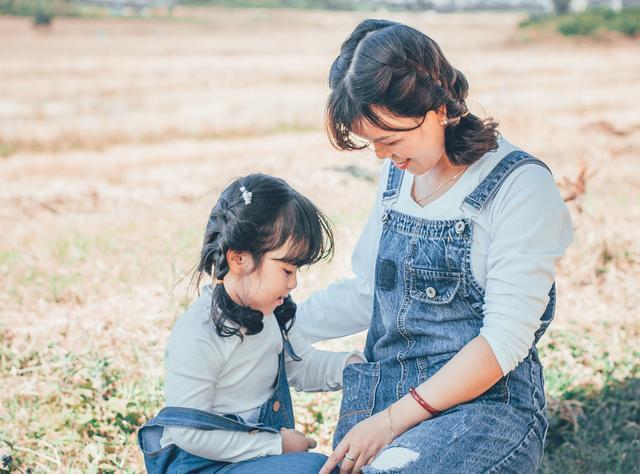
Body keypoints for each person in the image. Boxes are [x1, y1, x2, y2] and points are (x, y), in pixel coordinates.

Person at [295, 19, 574, 473]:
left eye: (390, 140)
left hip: (485, 408)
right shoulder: (398, 174)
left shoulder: (520, 187)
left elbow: (503, 341)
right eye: (373, 145)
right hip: (387, 395)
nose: (384, 157)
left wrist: (389, 423)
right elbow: (371, 292)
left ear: (440, 108)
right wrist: (279, 323)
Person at [138, 174, 361, 473]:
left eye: (297, 270)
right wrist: (275, 445)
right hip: (203, 465)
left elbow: (302, 366)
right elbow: (187, 432)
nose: (294, 282)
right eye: (286, 269)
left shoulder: (271, 314)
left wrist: (354, 365)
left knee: (320, 468)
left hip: (252, 458)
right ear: (239, 260)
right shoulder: (200, 332)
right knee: (312, 469)